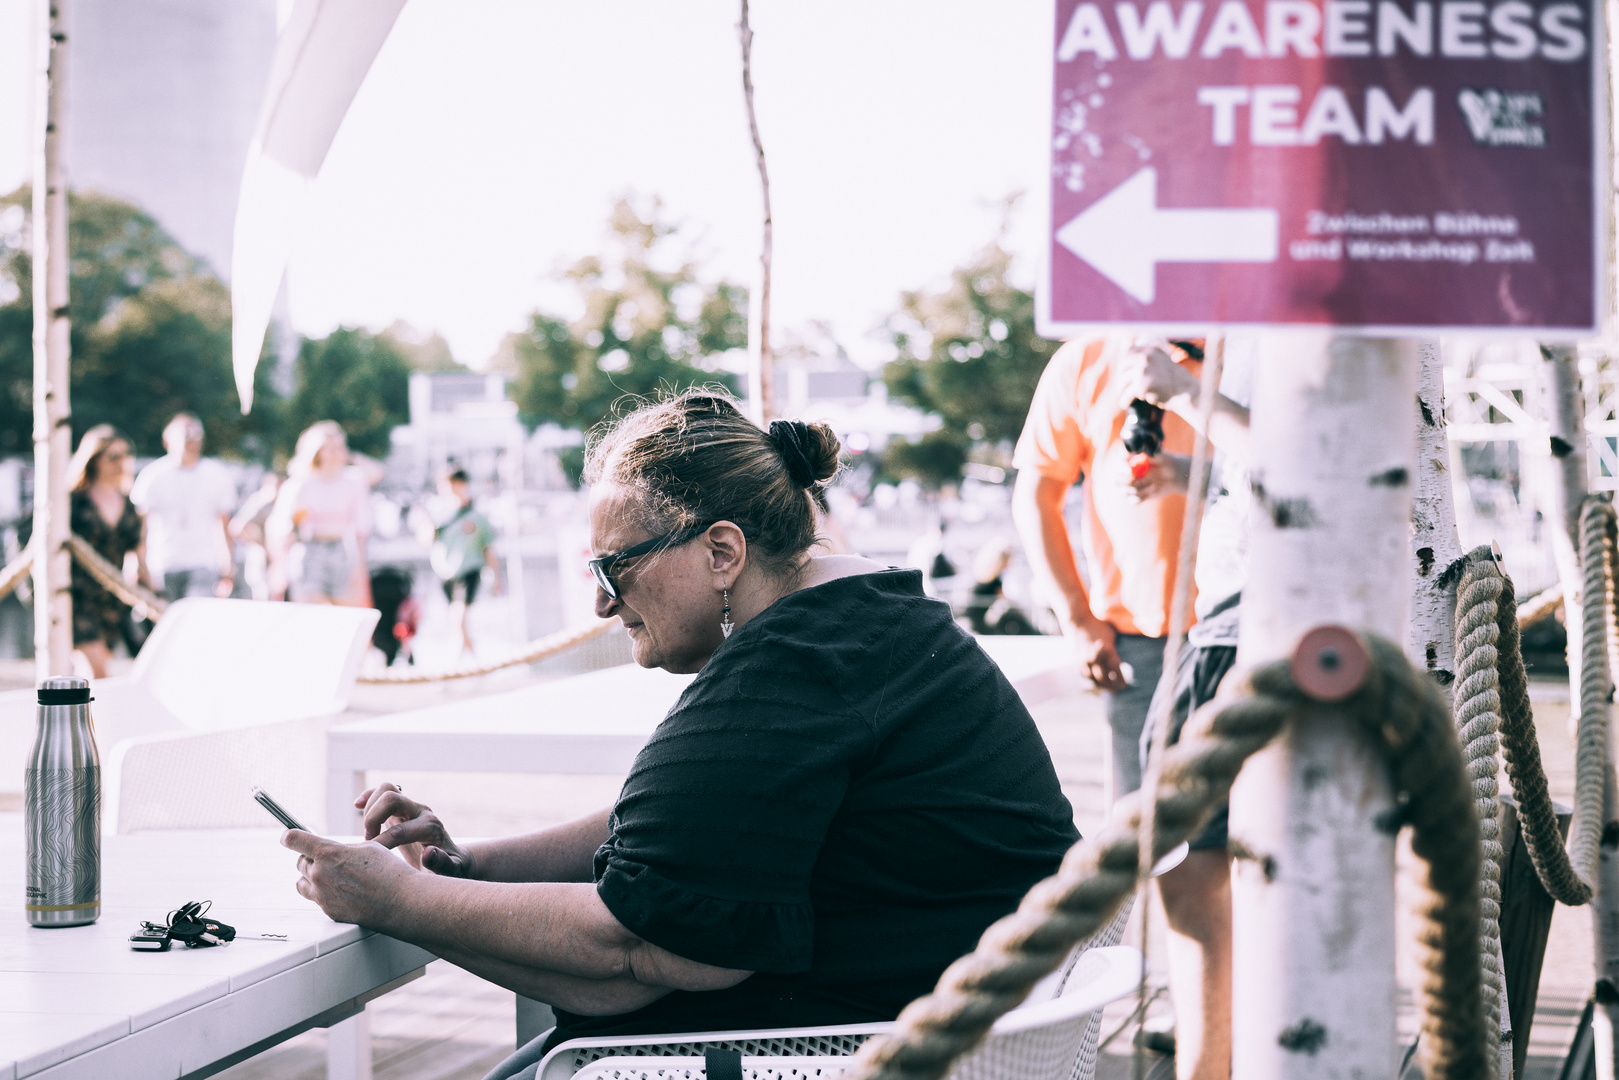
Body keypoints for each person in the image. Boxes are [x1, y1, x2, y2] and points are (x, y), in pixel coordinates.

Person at [283, 391, 1079, 1076]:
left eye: (612, 569)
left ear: (722, 551)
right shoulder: (868, 625)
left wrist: (399, 899)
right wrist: (470, 867)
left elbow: (638, 957)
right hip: (948, 1030)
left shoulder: (792, 674)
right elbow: (706, 829)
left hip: (840, 1050)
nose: (600, 604)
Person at [1119, 338, 1253, 1080]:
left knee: (1184, 845)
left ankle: (1208, 1067)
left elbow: (1304, 472)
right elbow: (1266, 485)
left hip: (1246, 621)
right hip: (1236, 613)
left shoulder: (1278, 325)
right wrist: (1184, 475)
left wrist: (1178, 392)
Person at [1011, 336, 1203, 806]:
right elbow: (1036, 495)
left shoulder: (1255, 342)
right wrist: (1078, 619)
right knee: (1150, 841)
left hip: (1261, 629)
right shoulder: (1087, 357)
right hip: (1139, 641)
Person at [67, 425, 154, 678]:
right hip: (77, 597)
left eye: (125, 455)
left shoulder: (129, 506)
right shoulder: (73, 501)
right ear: (94, 460)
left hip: (112, 598)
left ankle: (89, 716)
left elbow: (138, 556)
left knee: (99, 669)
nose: (120, 462)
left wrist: (153, 596)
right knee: (97, 669)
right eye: (113, 456)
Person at [130, 413, 238, 601]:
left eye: (196, 436)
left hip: (203, 562)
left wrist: (228, 565)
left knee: (194, 620)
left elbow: (222, 524)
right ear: (167, 440)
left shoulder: (217, 474)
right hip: (162, 563)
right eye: (185, 436)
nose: (192, 442)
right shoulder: (152, 476)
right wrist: (139, 565)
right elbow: (141, 528)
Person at [268, 422, 373, 606]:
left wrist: (361, 569)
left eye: (340, 447)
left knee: (346, 619)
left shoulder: (354, 480)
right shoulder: (299, 485)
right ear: (316, 451)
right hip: (308, 553)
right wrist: (279, 568)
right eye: (330, 448)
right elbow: (280, 530)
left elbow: (360, 529)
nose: (337, 453)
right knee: (313, 620)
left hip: (342, 553)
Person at [424, 467, 503, 654]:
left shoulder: (477, 517)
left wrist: (496, 578)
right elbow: (428, 541)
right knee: (456, 622)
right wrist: (426, 522)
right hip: (446, 574)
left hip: (469, 571)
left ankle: (454, 670)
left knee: (458, 620)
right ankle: (474, 663)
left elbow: (489, 550)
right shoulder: (439, 514)